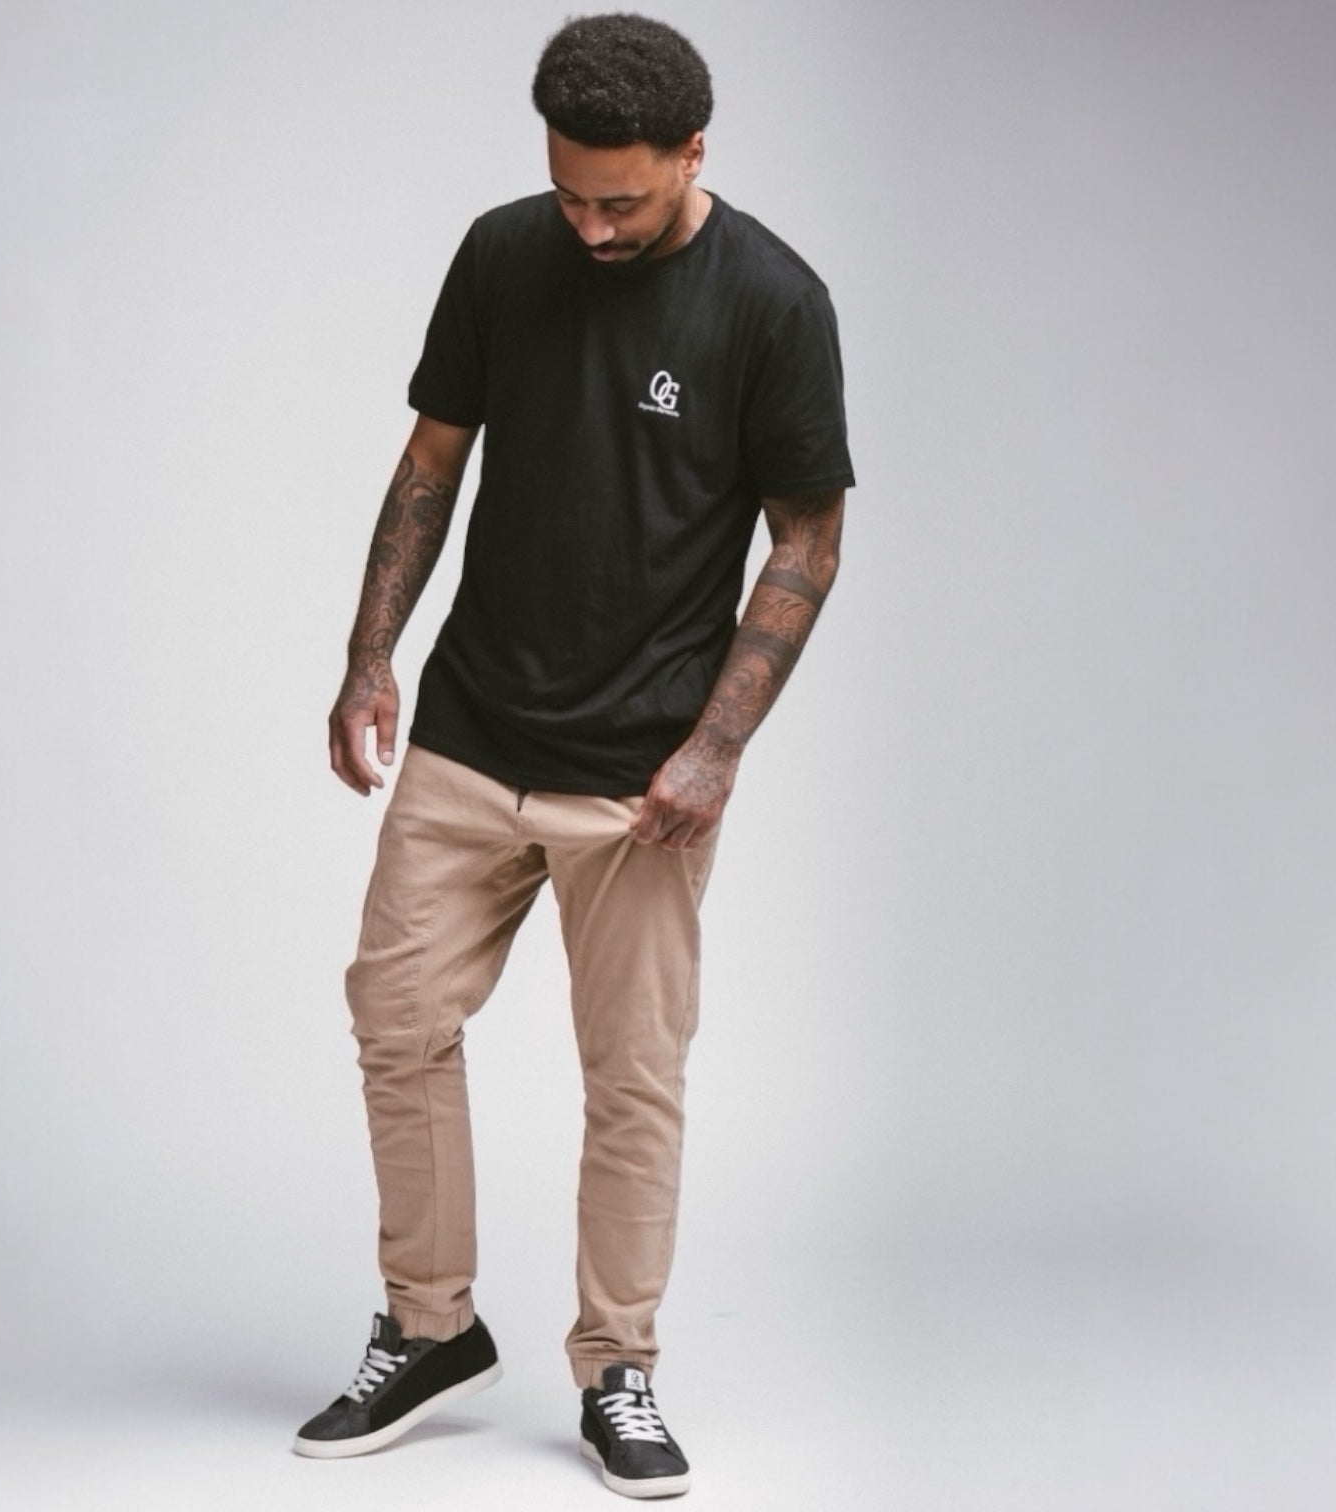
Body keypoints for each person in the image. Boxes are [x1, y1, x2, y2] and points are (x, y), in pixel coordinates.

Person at [292, 12, 853, 1499]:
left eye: (622, 200)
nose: (592, 227)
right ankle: (431, 1326)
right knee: (395, 1013)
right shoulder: (503, 252)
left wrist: (717, 745)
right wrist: (370, 656)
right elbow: (432, 461)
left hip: (643, 774)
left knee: (633, 1077)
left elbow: (807, 541)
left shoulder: (774, 302)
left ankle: (619, 1367)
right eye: (570, 194)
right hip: (475, 726)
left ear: (693, 153)